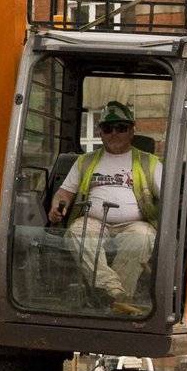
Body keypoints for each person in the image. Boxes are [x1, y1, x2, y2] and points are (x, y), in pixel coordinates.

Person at [48, 100, 161, 314]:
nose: (114, 133)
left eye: (121, 128)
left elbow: (168, 195)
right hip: (94, 221)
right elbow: (64, 193)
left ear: (132, 129)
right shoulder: (85, 161)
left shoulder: (149, 162)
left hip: (135, 223)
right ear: (100, 132)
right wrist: (56, 207)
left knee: (142, 238)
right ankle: (116, 295)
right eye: (108, 128)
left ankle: (109, 300)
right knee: (78, 232)